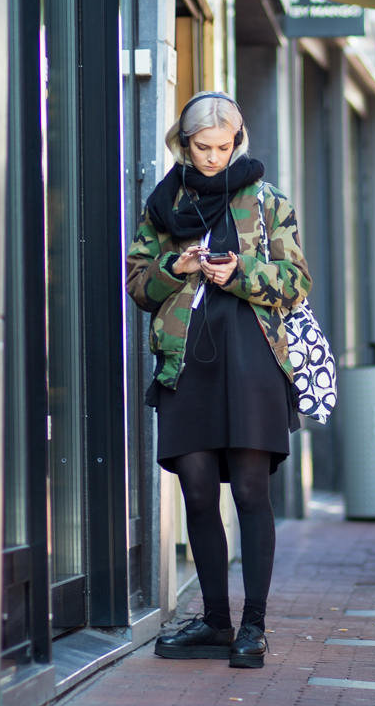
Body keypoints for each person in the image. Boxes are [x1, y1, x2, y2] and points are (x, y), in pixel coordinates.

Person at [125, 91, 311, 669]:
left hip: (253, 362)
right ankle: (215, 621)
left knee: (252, 492)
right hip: (187, 362)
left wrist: (240, 272)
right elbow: (136, 286)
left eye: (221, 146)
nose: (211, 157)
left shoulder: (265, 201)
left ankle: (252, 628)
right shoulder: (162, 207)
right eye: (200, 147)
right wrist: (171, 268)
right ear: (183, 144)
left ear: (239, 140)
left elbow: (296, 282)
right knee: (199, 493)